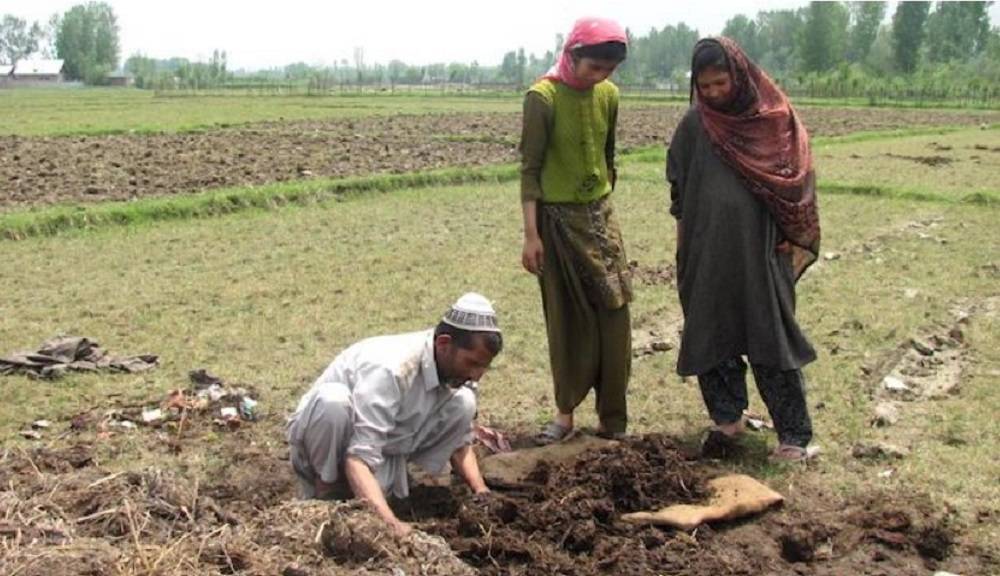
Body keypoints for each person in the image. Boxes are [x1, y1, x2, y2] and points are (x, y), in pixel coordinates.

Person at [666, 37, 821, 462]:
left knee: (770, 334)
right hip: (706, 248)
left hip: (762, 250)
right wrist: (684, 252)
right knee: (711, 332)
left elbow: (798, 182)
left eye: (720, 82)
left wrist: (792, 232)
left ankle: (793, 437)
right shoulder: (695, 125)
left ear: (739, 74)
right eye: (705, 85)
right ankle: (727, 420)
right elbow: (680, 190)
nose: (714, 92)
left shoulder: (773, 120)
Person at [286, 293, 503, 536]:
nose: (477, 375)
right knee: (332, 401)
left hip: (382, 452)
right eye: (472, 363)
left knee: (464, 402)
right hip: (331, 446)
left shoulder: (457, 372)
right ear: (443, 343)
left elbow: (461, 444)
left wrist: (482, 492)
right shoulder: (392, 369)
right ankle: (326, 493)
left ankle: (371, 492)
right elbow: (357, 458)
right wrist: (393, 526)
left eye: (483, 366)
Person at [519, 17, 632, 445]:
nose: (599, 76)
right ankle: (564, 416)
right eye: (593, 67)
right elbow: (530, 171)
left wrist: (603, 211)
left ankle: (613, 421)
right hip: (557, 223)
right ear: (572, 55)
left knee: (616, 317)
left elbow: (608, 157)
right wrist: (532, 236)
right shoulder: (542, 98)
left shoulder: (609, 96)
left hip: (601, 221)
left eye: (608, 70)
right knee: (567, 320)